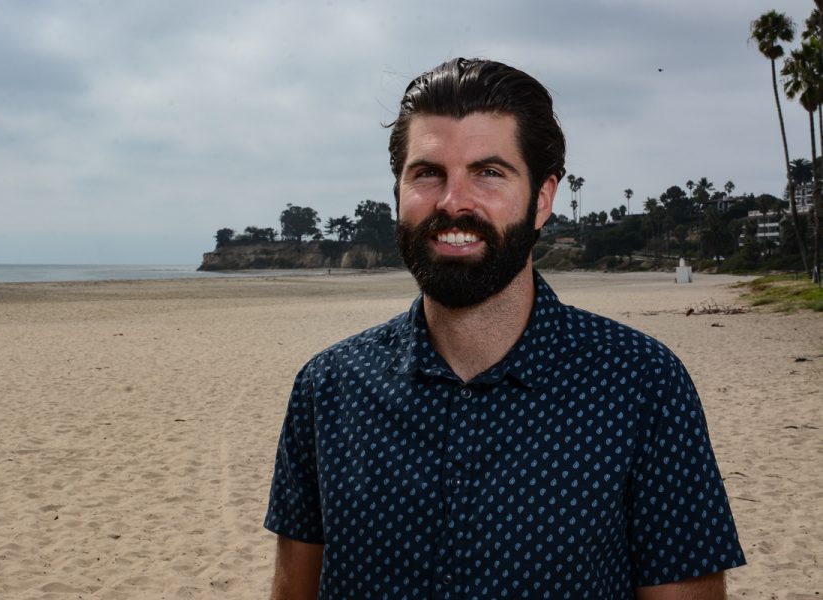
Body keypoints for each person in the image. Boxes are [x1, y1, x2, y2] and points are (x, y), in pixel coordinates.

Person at [264, 57, 745, 599]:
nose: (453, 201)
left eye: (489, 173)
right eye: (428, 173)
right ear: (398, 191)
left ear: (542, 198)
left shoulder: (643, 384)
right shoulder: (328, 389)